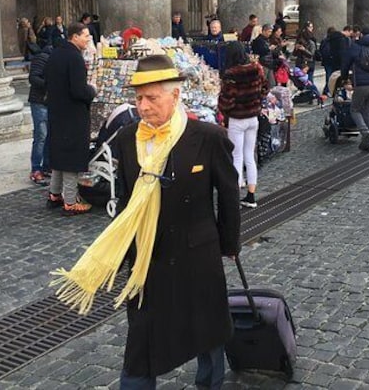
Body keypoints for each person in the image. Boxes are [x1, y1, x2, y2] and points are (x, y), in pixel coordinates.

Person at [53, 53, 240, 389]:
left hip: (197, 253)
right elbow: (126, 201)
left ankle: (210, 382)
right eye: (139, 98)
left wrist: (229, 244)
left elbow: (227, 197)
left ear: (175, 95)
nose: (143, 106)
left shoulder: (208, 137)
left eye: (152, 98)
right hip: (147, 258)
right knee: (142, 338)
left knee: (208, 327)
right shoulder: (126, 139)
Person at [45, 22, 97, 215]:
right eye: (86, 36)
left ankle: (54, 194)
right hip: (72, 115)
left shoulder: (56, 54)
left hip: (57, 113)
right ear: (74, 37)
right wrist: (92, 90)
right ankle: (70, 201)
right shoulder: (74, 58)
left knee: (59, 155)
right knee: (70, 157)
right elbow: (78, 90)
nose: (88, 39)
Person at [218, 42, 268, 209]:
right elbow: (265, 88)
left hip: (237, 119)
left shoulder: (231, 74)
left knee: (236, 156)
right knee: (249, 156)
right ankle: (251, 195)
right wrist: (256, 101)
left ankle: (235, 196)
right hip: (253, 117)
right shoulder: (257, 69)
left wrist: (225, 110)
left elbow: (227, 101)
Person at [341, 27, 369, 151]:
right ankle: (368, 141)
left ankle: (365, 132)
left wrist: (344, 78)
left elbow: (345, 63)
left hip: (361, 84)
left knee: (355, 109)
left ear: (361, 34)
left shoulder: (356, 47)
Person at [28, 45, 52, 185]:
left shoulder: (54, 58)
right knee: (41, 136)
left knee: (49, 135)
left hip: (49, 102)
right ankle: (36, 169)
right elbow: (33, 78)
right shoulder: (42, 58)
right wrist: (50, 84)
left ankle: (47, 166)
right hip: (40, 102)